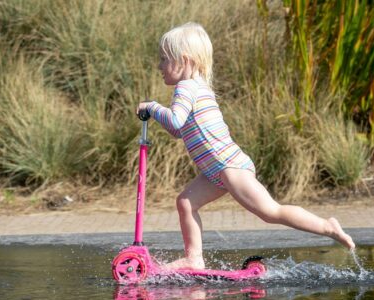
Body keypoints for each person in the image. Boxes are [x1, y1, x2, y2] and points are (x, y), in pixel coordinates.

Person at [136, 22, 355, 271]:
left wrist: (152, 107)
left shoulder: (185, 88)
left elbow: (174, 120)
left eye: (164, 59)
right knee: (185, 202)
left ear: (184, 60)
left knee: (270, 211)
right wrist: (156, 113)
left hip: (230, 167)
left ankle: (328, 226)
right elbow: (177, 129)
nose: (159, 66)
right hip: (215, 171)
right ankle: (193, 258)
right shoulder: (197, 88)